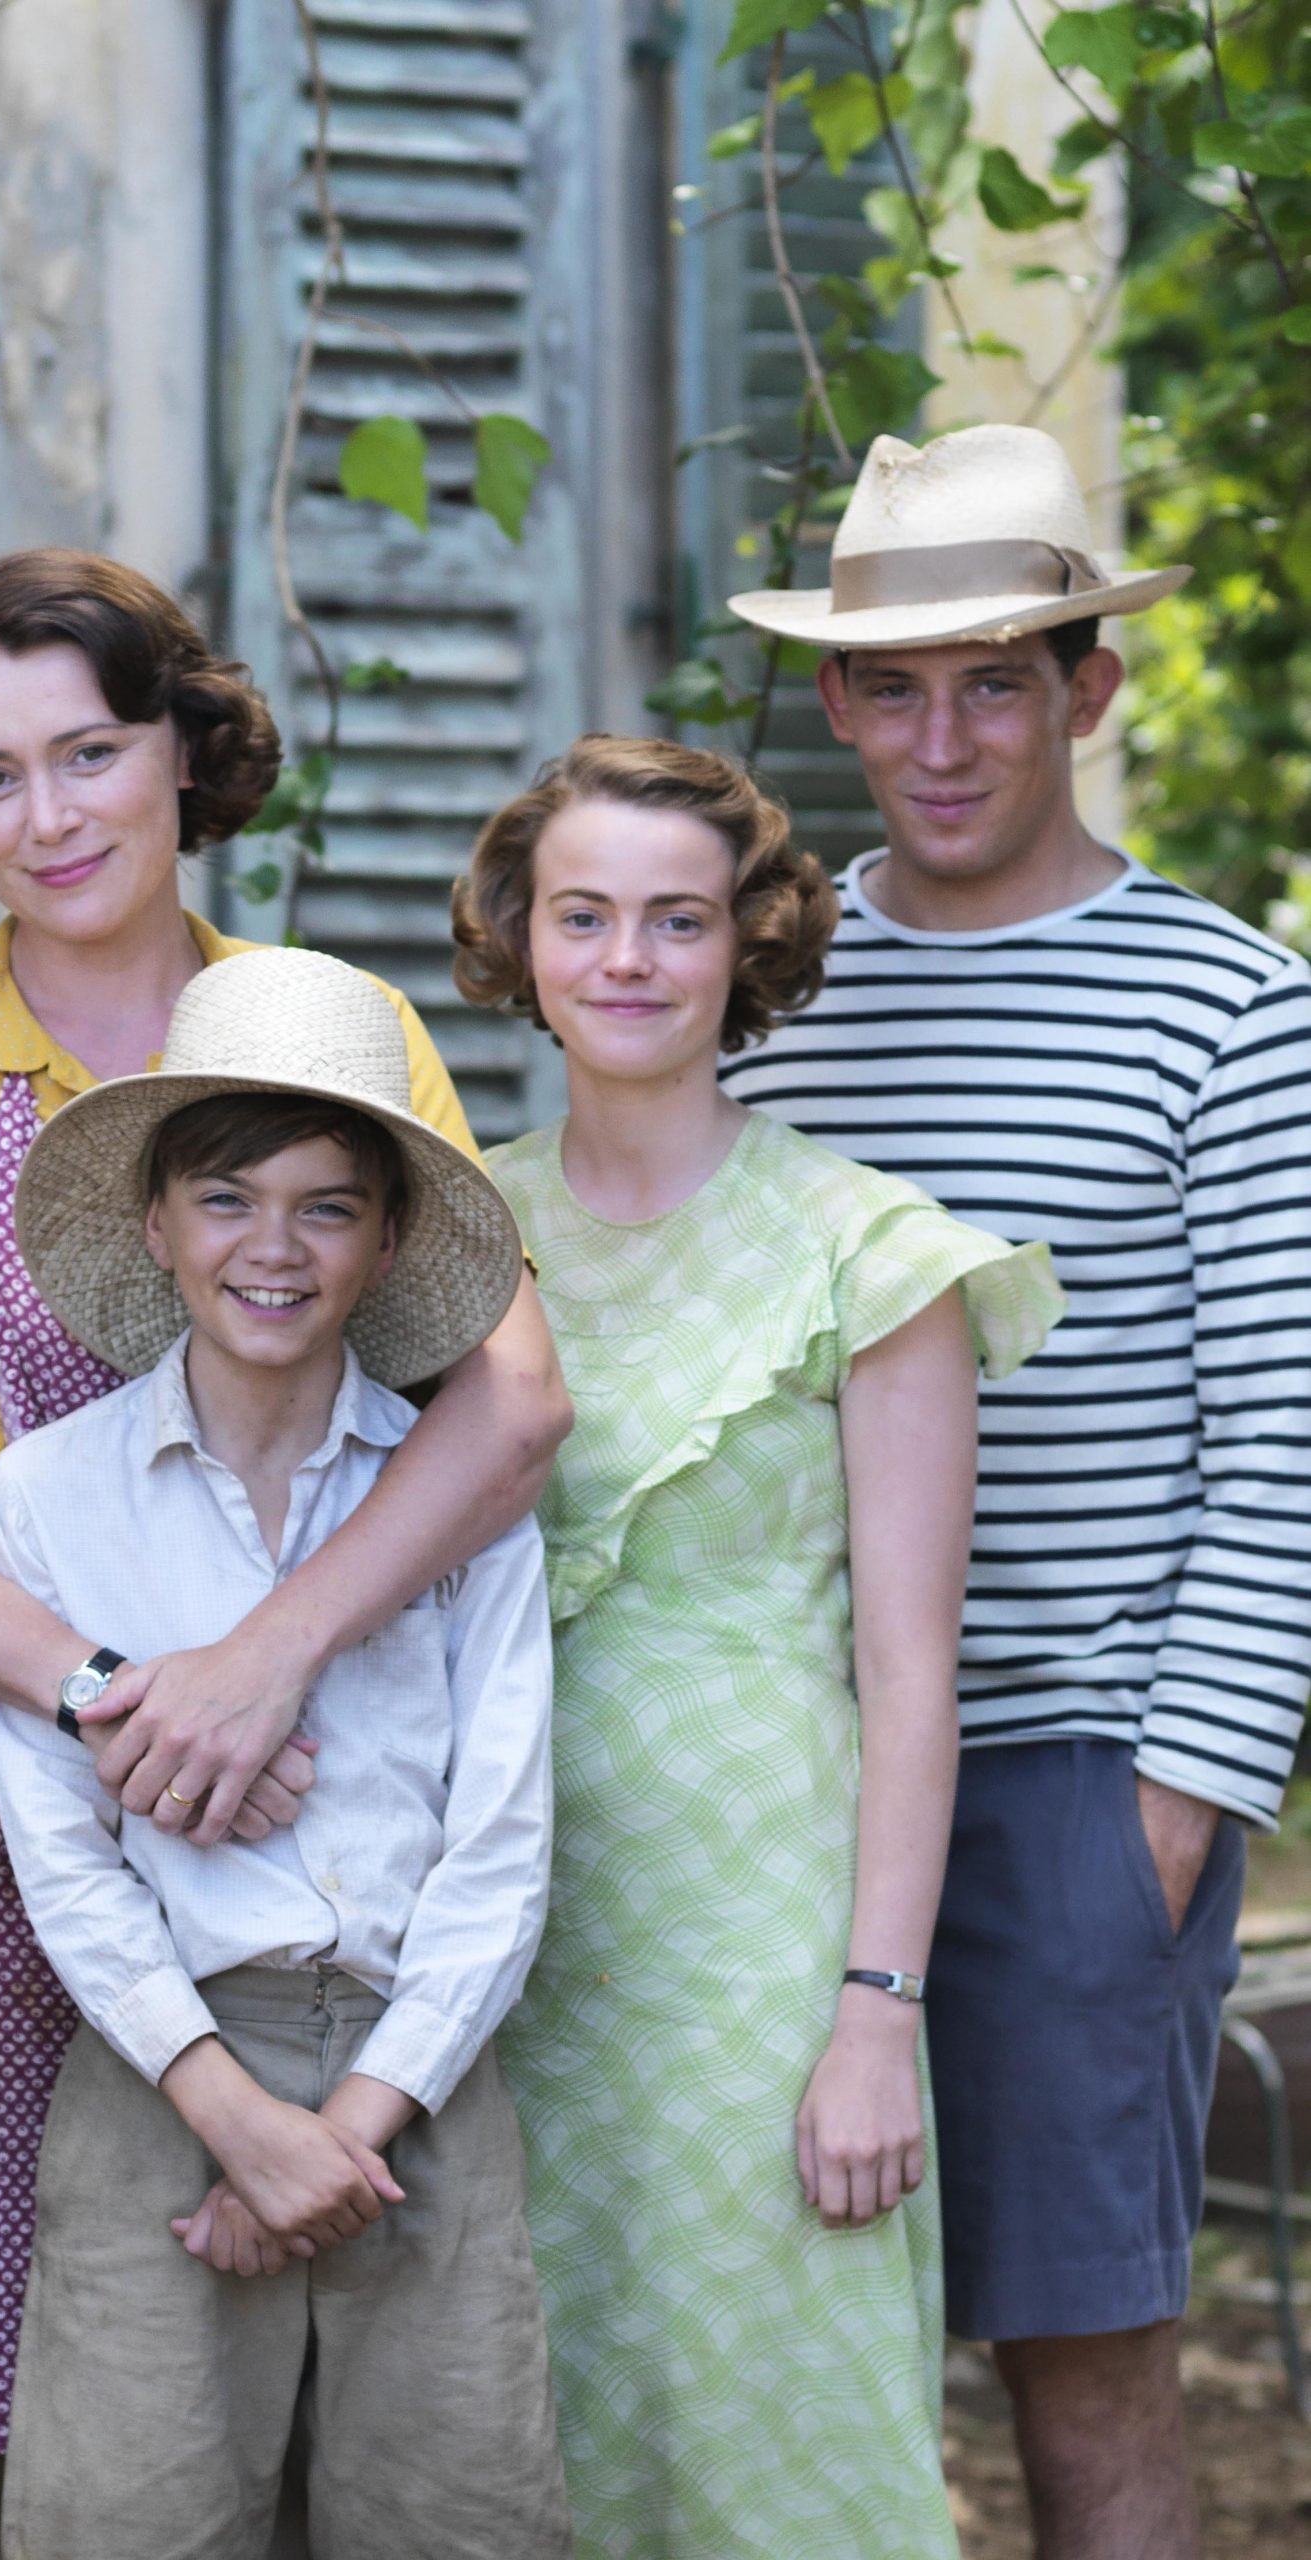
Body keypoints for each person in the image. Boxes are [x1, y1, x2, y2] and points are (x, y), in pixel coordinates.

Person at [0, 549, 571, 2560]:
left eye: (86, 752)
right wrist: (109, 1695)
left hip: (294, 1812)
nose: (45, 816)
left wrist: (262, 1660)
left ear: (181, 750)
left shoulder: (329, 1033)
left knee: (236, 2425)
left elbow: (508, 1407)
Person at [721, 424, 1311, 2560]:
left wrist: (1172, 1802)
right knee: (779, 2349)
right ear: (836, 700)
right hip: (778, 1775)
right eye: (892, 688)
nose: (942, 738)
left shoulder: (1233, 1009)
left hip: (1074, 1770)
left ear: (1090, 687)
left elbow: (1286, 1441)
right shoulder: (759, 990)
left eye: (995, 682)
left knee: (1083, 2365)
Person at [452, 733, 1063, 2558]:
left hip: (764, 1945)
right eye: (584, 915)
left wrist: (875, 2014)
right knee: (532, 2448)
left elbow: (913, 1668)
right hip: (504, 1930)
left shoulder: (865, 1248)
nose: (628, 958)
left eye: (679, 919)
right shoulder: (454, 1229)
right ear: (520, 936)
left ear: (752, 942)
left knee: (778, 2446)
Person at [0, 943, 571, 2560]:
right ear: (155, 1223)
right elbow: (63, 1858)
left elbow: (502, 1848)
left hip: (419, 2068)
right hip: (161, 2062)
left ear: (387, 1242)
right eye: (228, 1199)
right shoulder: (47, 1497)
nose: (274, 1248)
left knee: (450, 2518)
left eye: (328, 1207)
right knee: (134, 2518)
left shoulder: (457, 1504)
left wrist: (345, 2136)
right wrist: (238, 2126)